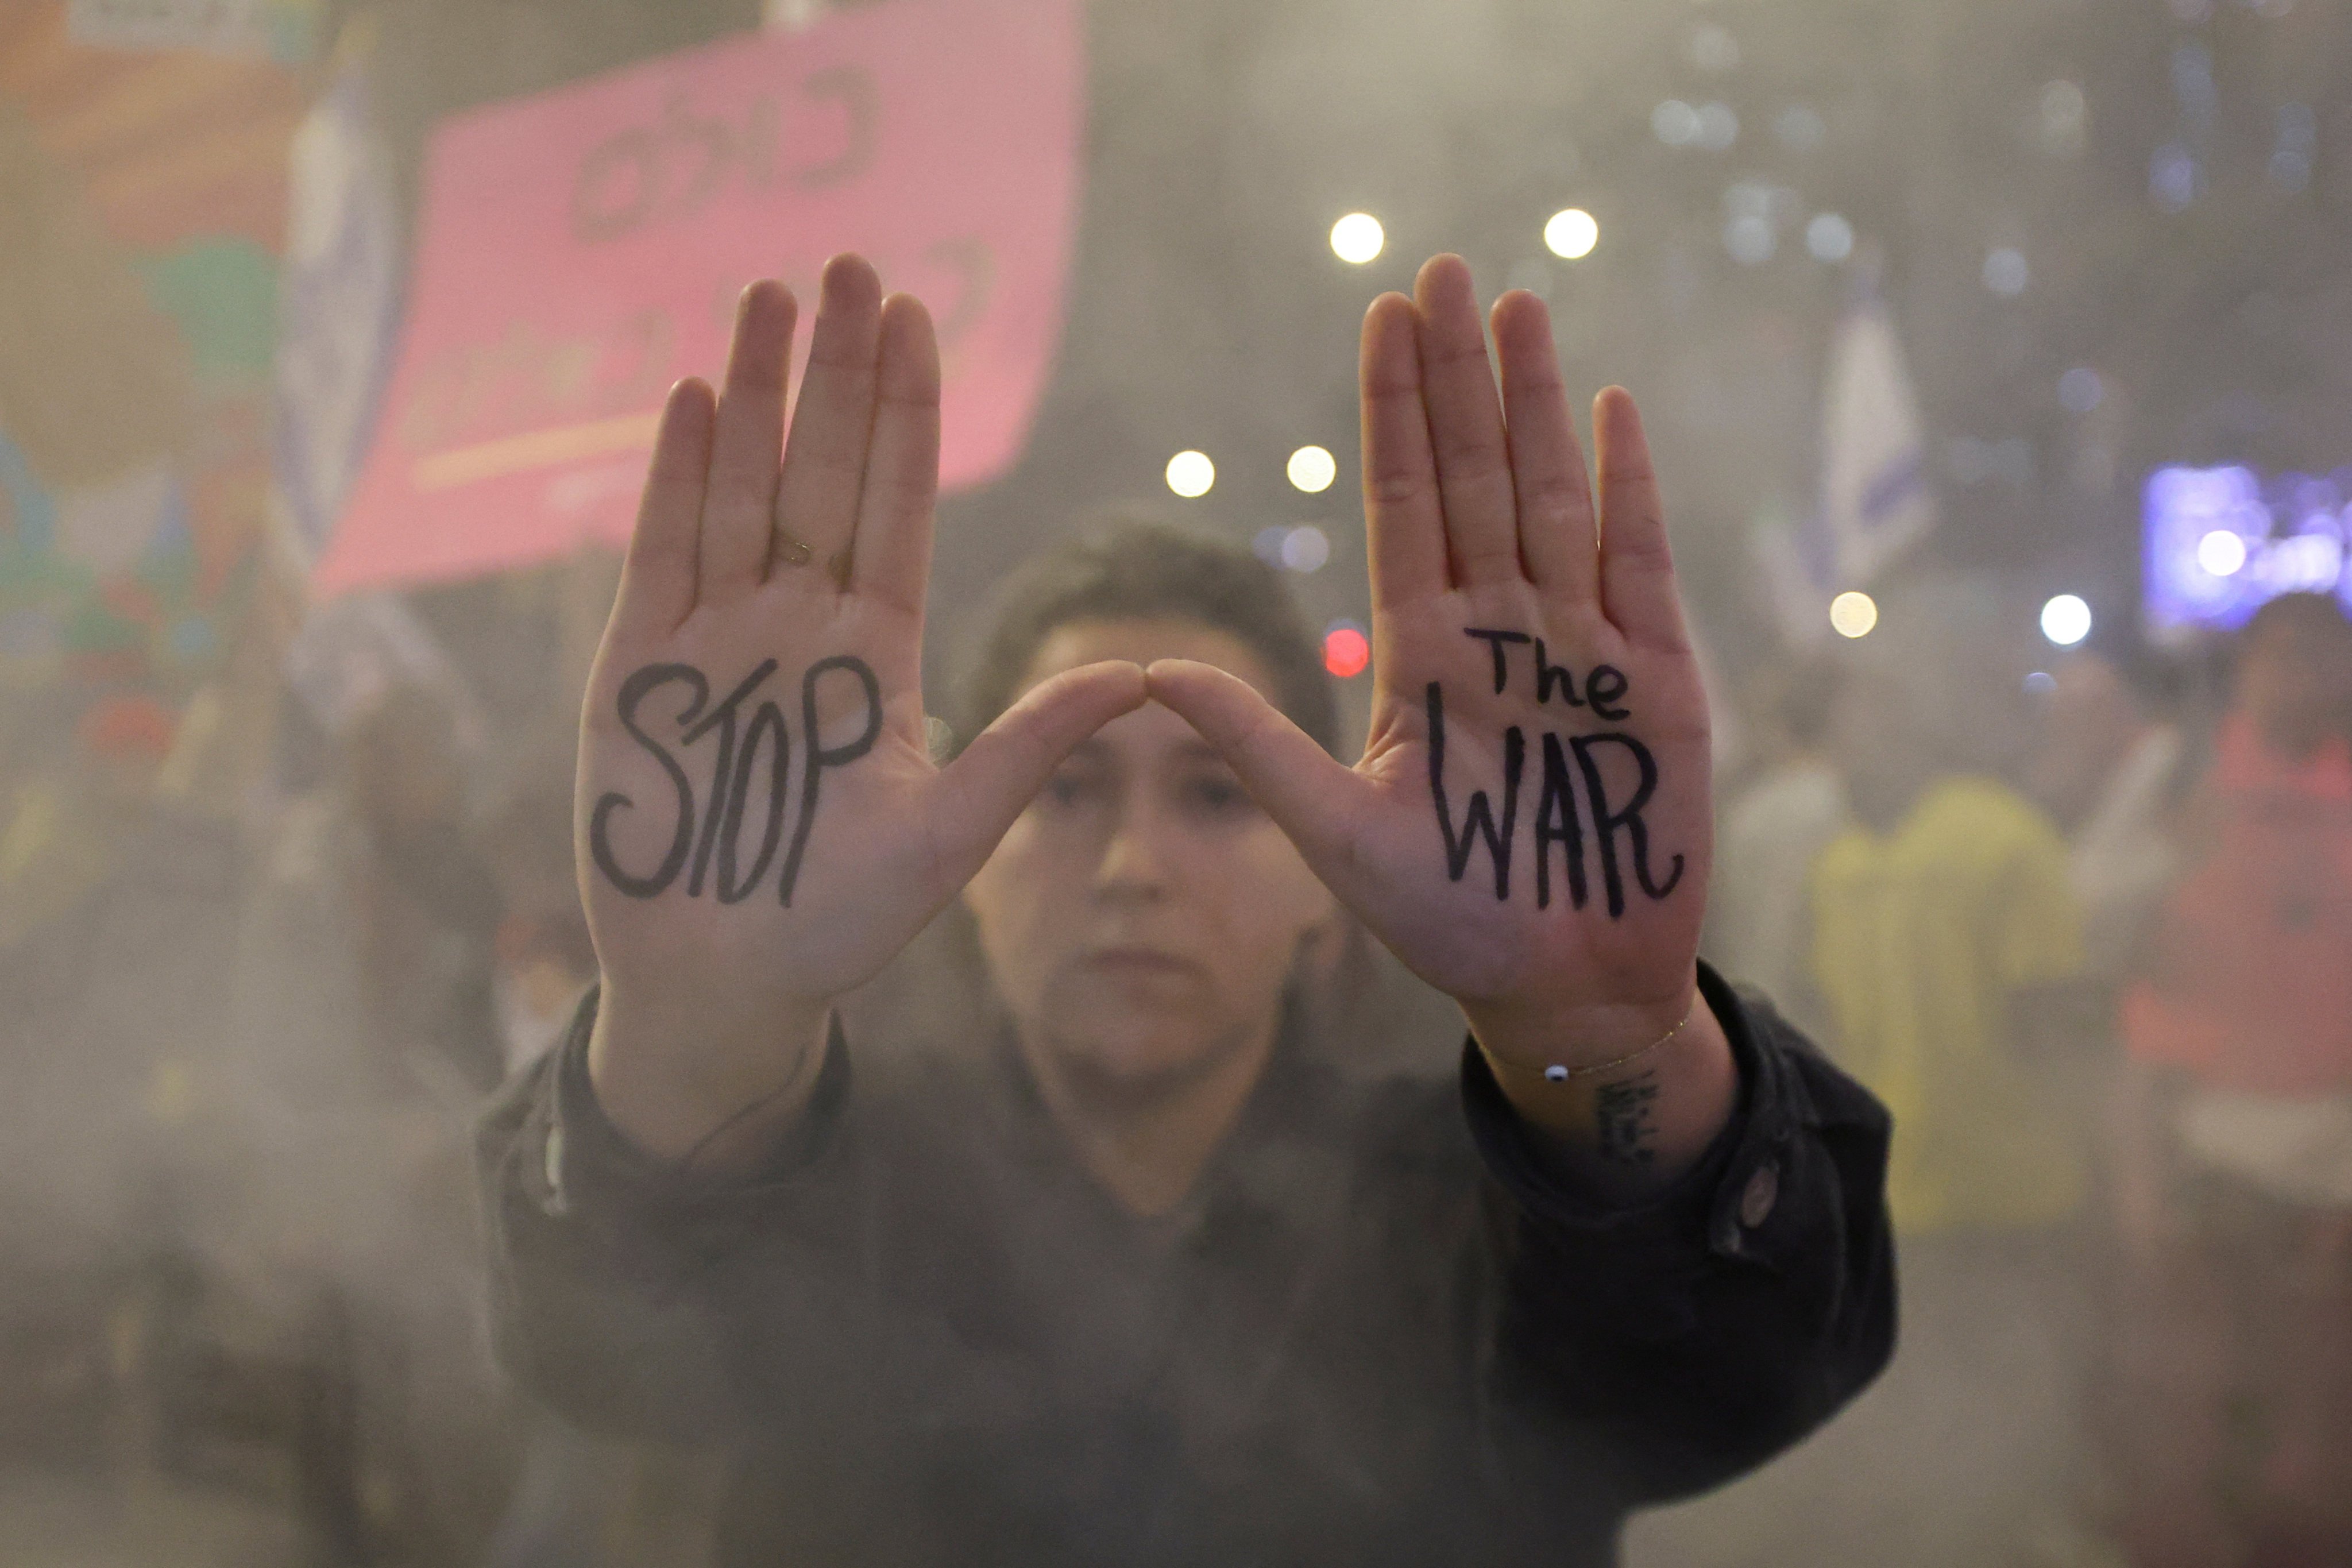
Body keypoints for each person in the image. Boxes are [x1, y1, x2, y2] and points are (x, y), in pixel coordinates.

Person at [477, 252, 1894, 1565]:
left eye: (1217, 800)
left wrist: (1608, 1046)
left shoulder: (1477, 1219)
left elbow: (1741, 1364)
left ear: (1328, 883)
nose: (1132, 869)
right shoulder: (837, 1200)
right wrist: (704, 1036)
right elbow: (605, 1339)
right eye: (1067, 792)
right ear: (957, 867)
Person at [2106, 593, 2352, 1568]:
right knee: (2193, 1427)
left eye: (2322, 655)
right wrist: (2138, 1173)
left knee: (2317, 1440)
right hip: (2208, 1154)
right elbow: (2123, 936)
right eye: (2278, 654)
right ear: (2245, 669)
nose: (2299, 676)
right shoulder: (2186, 774)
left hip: (2333, 1164)